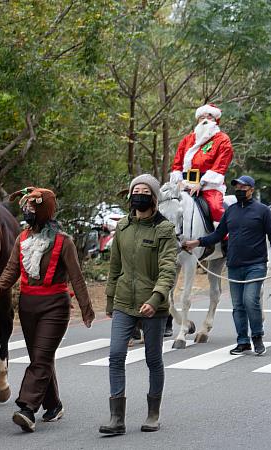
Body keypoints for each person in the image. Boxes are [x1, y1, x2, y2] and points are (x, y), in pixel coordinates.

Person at [0, 187, 95, 433]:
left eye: (33, 208)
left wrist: (87, 310)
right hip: (27, 306)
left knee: (42, 357)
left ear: (44, 211)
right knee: (40, 358)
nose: (27, 212)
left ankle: (27, 408)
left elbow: (77, 278)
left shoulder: (63, 241)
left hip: (55, 306)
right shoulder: (22, 238)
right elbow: (11, 269)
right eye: (26, 208)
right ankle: (53, 405)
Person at [99, 174, 177, 436]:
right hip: (123, 301)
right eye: (136, 190)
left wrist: (156, 299)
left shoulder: (164, 229)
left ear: (153, 198)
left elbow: (168, 269)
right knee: (115, 356)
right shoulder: (122, 227)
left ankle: (153, 413)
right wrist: (110, 300)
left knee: (153, 359)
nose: (139, 195)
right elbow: (115, 267)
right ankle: (116, 418)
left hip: (152, 304)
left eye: (145, 191)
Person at [183, 175, 271, 356]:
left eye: (243, 188)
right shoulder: (231, 211)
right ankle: (243, 341)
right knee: (237, 305)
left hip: (256, 264)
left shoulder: (263, 211)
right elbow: (218, 235)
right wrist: (197, 242)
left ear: (252, 190)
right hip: (234, 265)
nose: (239, 190)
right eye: (237, 187)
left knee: (250, 300)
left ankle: (257, 337)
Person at [169, 104, 234, 223]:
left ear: (215, 120)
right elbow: (177, 164)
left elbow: (220, 166)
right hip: (184, 184)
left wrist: (201, 184)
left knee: (215, 208)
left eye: (209, 117)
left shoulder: (222, 140)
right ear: (197, 120)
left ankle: (226, 238)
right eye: (201, 117)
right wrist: (178, 182)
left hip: (209, 185)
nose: (205, 120)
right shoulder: (187, 139)